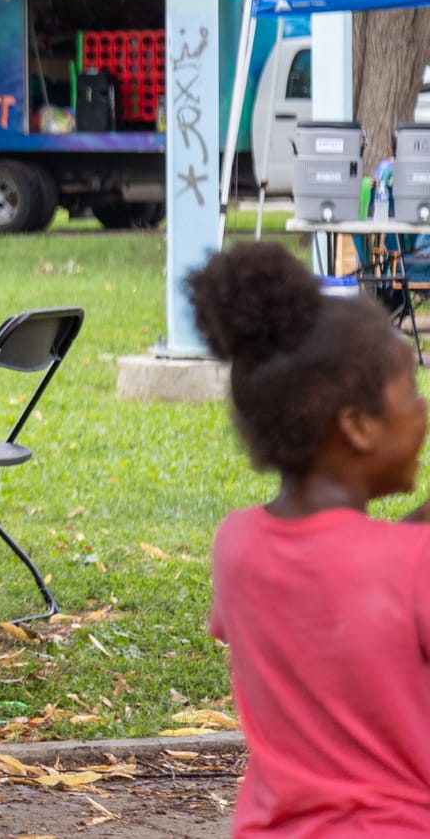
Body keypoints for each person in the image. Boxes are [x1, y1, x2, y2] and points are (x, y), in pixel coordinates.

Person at [187, 242, 430, 835]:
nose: (424, 413)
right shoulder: (409, 566)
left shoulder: (237, 546)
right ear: (360, 427)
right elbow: (379, 573)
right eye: (413, 395)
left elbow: (339, 570)